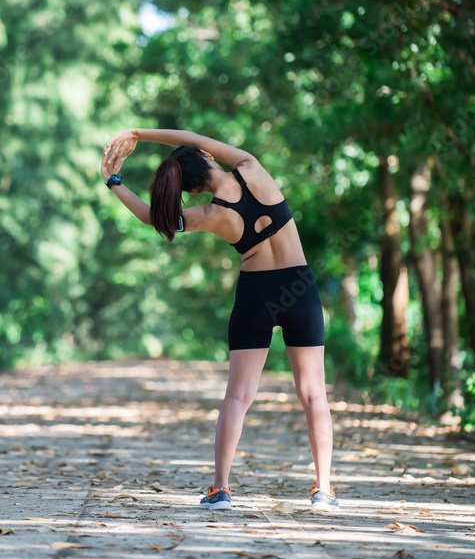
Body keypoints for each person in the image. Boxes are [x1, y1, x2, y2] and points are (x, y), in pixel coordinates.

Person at [101, 128, 338, 512]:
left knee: (238, 397)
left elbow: (153, 218)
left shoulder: (211, 214)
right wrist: (139, 134)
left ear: (192, 191)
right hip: (299, 288)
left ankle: (221, 489)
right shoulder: (250, 166)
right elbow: (191, 136)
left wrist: (113, 181)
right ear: (209, 158)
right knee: (313, 395)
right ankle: (323, 490)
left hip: (255, 295)